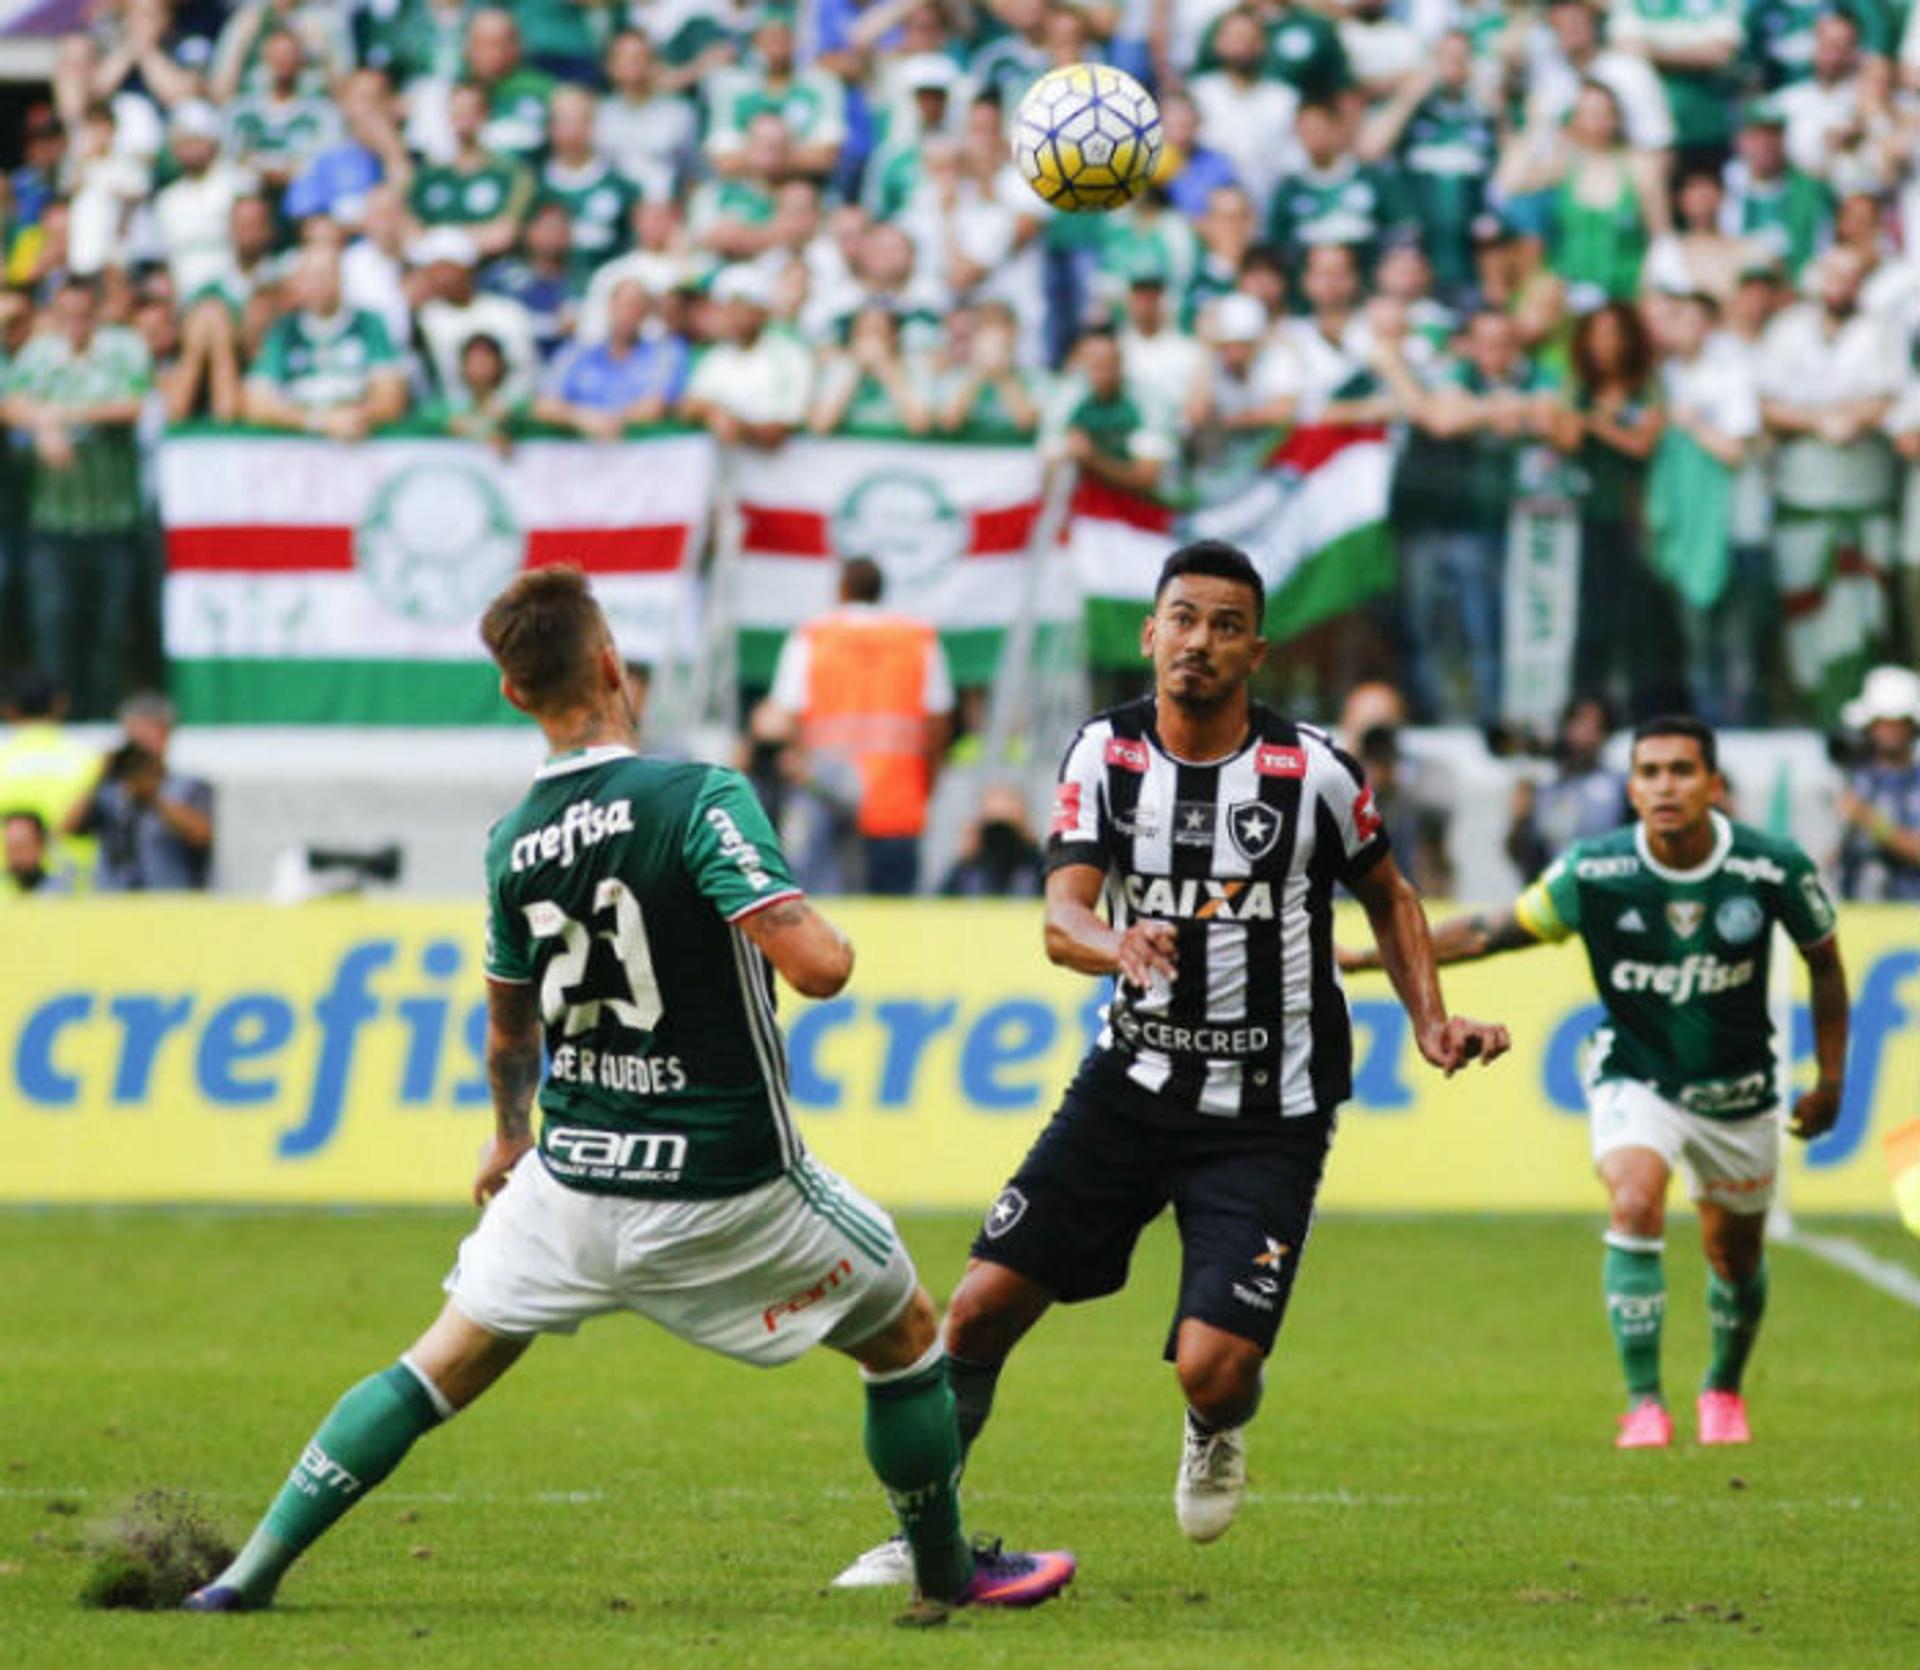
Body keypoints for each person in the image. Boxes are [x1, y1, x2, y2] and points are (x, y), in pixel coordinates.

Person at [184, 567, 1074, 1621]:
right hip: (729, 1186)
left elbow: (511, 1027)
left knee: (437, 1365)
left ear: (516, 695)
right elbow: (817, 967)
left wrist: (507, 1138)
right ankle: (944, 1573)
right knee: (906, 1328)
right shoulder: (698, 796)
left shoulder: (511, 841)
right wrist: (822, 928)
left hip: (571, 1180)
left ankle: (246, 1572)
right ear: (614, 665)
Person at [834, 542, 1510, 1587]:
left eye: (1225, 624)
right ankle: (926, 1537)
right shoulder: (1103, 756)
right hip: (1129, 1089)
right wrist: (1121, 942)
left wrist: (1428, 1018)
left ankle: (1213, 1422)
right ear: (1151, 634)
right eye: (1182, 618)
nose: (1199, 641)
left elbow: (1392, 895)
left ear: (1258, 651)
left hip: (1268, 1110)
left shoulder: (1315, 772)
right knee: (973, 1308)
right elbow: (1063, 917)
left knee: (1216, 1364)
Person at [1348, 716, 1847, 1449]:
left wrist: (1832, 1079)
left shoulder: (1772, 867)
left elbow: (1826, 967)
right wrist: (1367, 958)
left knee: (1733, 1257)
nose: (1664, 786)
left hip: (1737, 1088)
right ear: (1632, 787)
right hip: (1633, 1072)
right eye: (1648, 772)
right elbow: (1491, 930)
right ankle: (1644, 1403)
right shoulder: (1597, 870)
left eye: (1681, 771)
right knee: (1636, 1200)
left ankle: (1722, 1389)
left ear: (1713, 784)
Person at [766, 557, 954, 896]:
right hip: (897, 799)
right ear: (881, 591)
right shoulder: (918, 638)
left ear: (842, 589)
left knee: (829, 917)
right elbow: (938, 723)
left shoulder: (813, 637)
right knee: (896, 920)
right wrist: (927, 784)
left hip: (825, 803)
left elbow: (786, 718)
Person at [62, 692, 214, 892]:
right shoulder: (110, 791)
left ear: (166, 735)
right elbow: (67, 828)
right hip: (113, 901)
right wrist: (98, 779)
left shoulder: (189, 787)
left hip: (170, 902)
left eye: (147, 735)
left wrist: (153, 796)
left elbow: (202, 835)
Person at [1505, 695, 1630, 881]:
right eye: (1578, 722)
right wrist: (1519, 820)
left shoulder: (1619, 785)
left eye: (1595, 726)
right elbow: (1519, 854)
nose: (1585, 733)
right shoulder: (1544, 786)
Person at [1835, 664, 1920, 900]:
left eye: (1897, 722)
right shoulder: (1856, 780)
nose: (1888, 731)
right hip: (1856, 912)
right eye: (1882, 722)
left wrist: (1868, 819)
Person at [1, 808, 69, 899]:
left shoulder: (62, 891)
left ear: (40, 846)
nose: (16, 856)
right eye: (10, 847)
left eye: (22, 846)